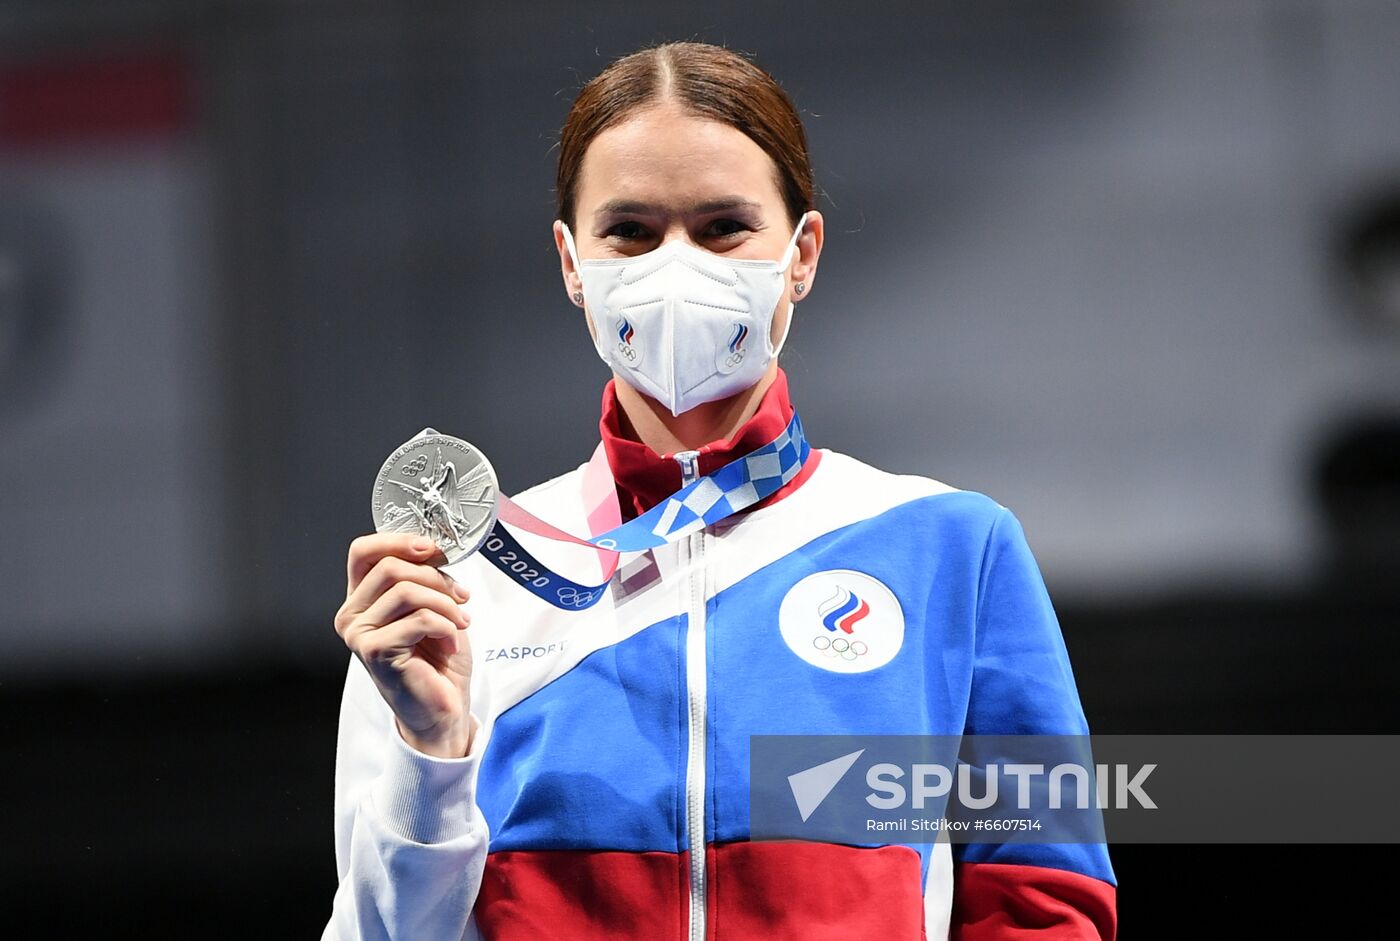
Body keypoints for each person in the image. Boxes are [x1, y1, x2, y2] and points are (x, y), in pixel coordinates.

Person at [323, 41, 1117, 940]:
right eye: (628, 229)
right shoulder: (464, 579)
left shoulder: (949, 550)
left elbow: (1045, 906)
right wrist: (432, 756)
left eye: (722, 227)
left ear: (802, 252)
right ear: (571, 262)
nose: (675, 266)